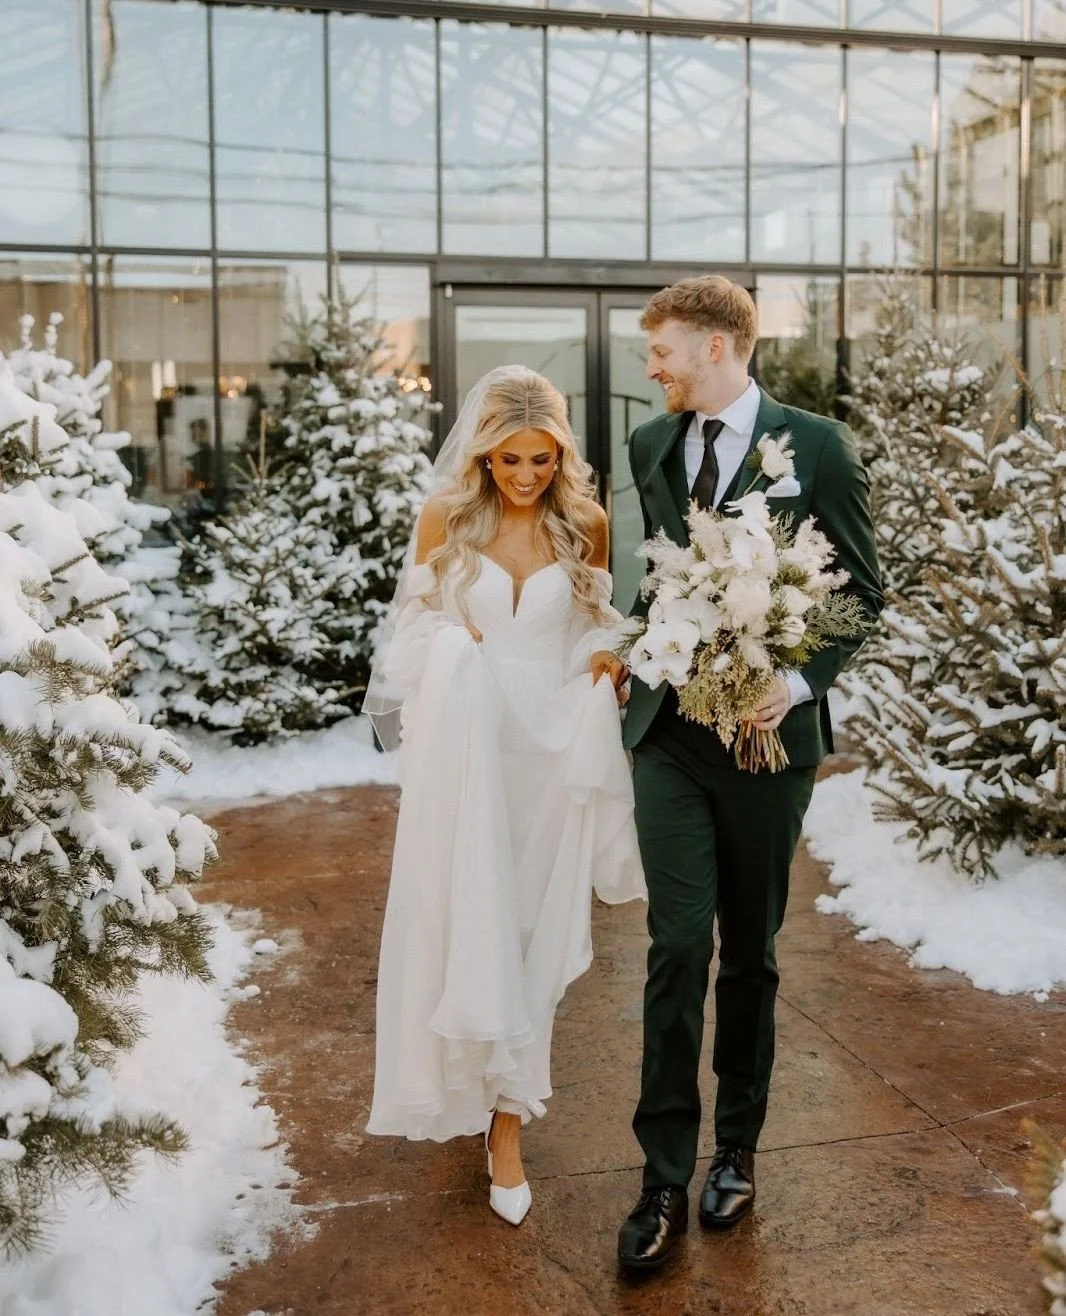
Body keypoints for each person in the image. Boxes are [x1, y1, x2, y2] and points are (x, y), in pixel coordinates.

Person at [616, 276, 883, 1270]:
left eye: (664, 351)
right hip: (669, 736)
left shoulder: (815, 445)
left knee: (749, 950)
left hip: (766, 745)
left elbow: (862, 588)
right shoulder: (650, 447)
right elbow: (652, 577)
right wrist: (631, 651)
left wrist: (800, 679)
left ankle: (737, 1146)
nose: (653, 368)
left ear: (721, 348)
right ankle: (659, 1171)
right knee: (675, 942)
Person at [365, 365, 645, 1228]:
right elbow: (408, 638)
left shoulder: (585, 524)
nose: (525, 475)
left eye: (541, 459)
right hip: (469, 746)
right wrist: (453, 638)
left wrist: (608, 658)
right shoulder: (446, 520)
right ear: (484, 455)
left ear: (561, 454)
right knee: (465, 922)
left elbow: (595, 622)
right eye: (510, 460)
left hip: (553, 749)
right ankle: (469, 1097)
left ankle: (510, 1121)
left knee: (534, 932)